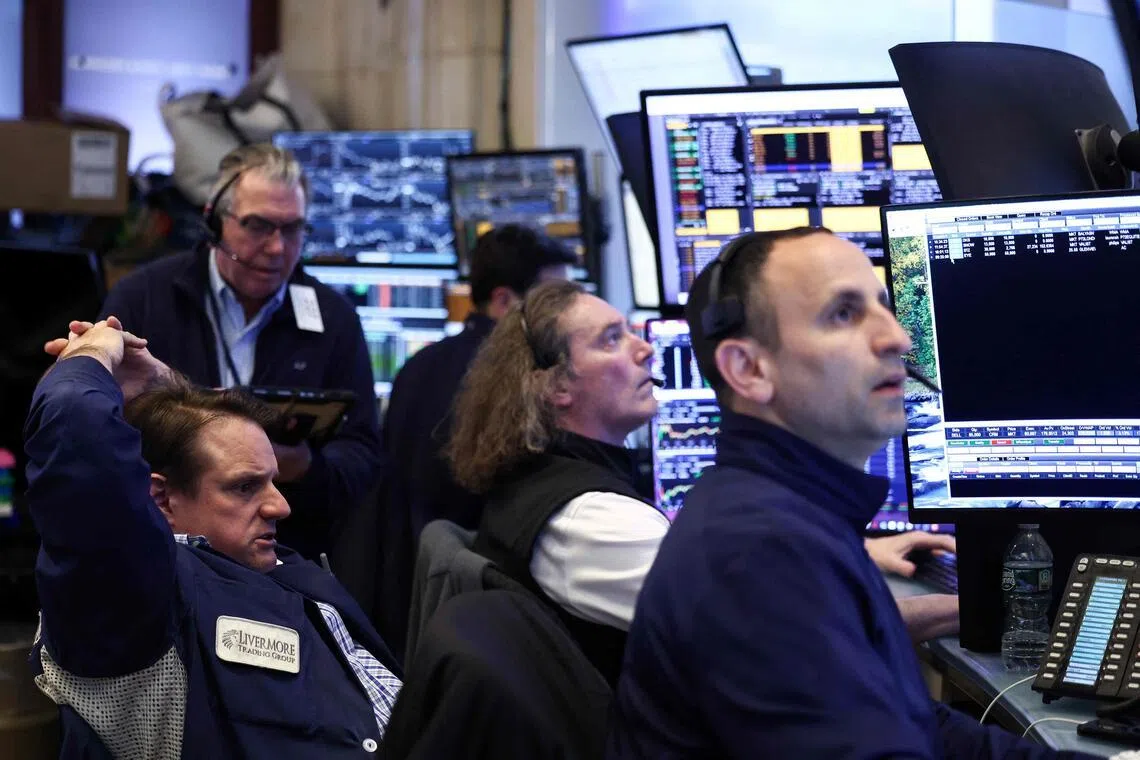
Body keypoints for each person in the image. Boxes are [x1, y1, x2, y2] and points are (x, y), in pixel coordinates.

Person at [606, 228, 1096, 759]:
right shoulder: (759, 552)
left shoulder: (790, 516)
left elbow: (915, 726)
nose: (897, 340)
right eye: (843, 313)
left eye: (883, 307)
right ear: (747, 370)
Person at [447, 280, 959, 686]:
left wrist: (855, 554)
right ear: (556, 385)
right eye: (611, 339)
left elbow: (724, 569)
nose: (644, 348)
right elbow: (794, 623)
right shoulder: (589, 521)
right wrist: (968, 609)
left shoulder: (550, 483)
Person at [27, 317, 402, 757]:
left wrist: (166, 385)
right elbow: (77, 439)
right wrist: (90, 357)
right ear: (162, 499)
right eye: (245, 487)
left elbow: (220, 445)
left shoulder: (262, 560)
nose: (280, 507)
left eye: (272, 482)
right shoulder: (141, 600)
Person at [99, 143, 381, 560]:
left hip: (286, 555)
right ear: (214, 221)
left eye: (292, 230)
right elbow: (102, 433)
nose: (276, 248)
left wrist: (303, 467)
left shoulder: (334, 319)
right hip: (159, 549)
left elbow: (363, 457)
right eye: (257, 226)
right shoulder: (144, 299)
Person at [375, 225, 576, 658]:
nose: (564, 321)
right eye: (553, 302)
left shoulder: (418, 366)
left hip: (409, 609)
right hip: (493, 620)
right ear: (505, 301)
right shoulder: (518, 384)